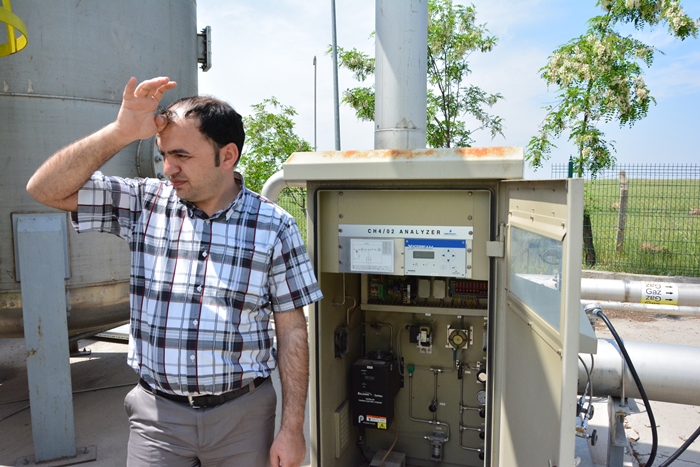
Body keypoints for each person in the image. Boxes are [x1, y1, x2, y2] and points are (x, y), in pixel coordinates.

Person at [26, 76, 323, 467]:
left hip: (243, 416)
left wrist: (291, 428)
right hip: (157, 419)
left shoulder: (275, 227)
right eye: (164, 154)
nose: (168, 168)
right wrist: (120, 132)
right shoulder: (143, 203)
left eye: (182, 155)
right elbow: (44, 189)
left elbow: (292, 331)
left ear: (228, 155)